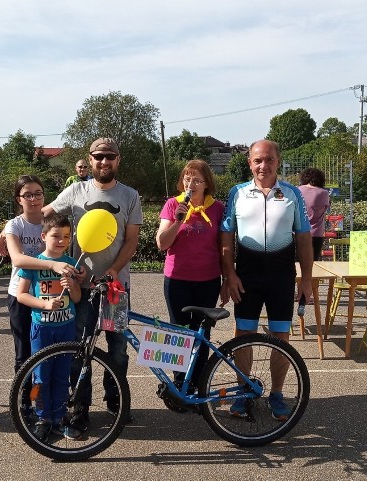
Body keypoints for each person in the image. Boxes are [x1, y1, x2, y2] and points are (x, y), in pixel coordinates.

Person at [43, 137, 143, 431]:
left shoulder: (130, 195)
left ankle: (116, 402)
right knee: (79, 350)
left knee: (118, 351)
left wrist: (113, 270)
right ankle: (79, 408)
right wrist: (11, 227)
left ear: (117, 160)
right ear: (90, 158)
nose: (103, 161)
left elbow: (132, 240)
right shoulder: (75, 190)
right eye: (98, 156)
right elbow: (45, 214)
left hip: (116, 290)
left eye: (109, 156)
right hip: (81, 288)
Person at [219, 139, 313, 422]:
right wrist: (229, 274)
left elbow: (304, 240)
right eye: (258, 160)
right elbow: (226, 238)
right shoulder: (237, 193)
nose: (263, 165)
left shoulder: (293, 193)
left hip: (281, 276)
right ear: (250, 163)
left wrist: (305, 279)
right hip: (247, 275)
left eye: (269, 159)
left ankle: (277, 394)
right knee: (243, 335)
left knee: (280, 338)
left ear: (278, 162)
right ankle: (244, 393)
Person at [0, 176, 82, 412]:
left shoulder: (51, 223)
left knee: (55, 360)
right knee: (24, 354)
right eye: (27, 195)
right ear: (19, 199)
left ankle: (54, 409)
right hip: (21, 294)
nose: (33, 199)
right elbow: (17, 258)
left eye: (38, 194)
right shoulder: (15, 225)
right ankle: (25, 402)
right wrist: (52, 266)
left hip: (55, 301)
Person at [155, 159, 224, 390]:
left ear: (206, 184)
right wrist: (178, 221)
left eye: (196, 180)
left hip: (208, 280)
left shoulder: (217, 208)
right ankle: (179, 382)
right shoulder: (173, 205)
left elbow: (224, 247)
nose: (190, 184)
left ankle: (198, 381)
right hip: (177, 280)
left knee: (201, 333)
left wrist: (226, 281)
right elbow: (162, 244)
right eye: (187, 178)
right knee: (179, 330)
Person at [15, 214, 81, 441]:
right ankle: (42, 417)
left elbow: (78, 298)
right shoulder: (34, 263)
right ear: (44, 236)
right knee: (40, 377)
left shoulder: (72, 264)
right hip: (41, 329)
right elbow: (21, 295)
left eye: (66, 236)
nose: (61, 240)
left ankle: (60, 417)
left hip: (66, 328)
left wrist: (72, 286)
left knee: (62, 375)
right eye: (56, 236)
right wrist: (44, 304)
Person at [298, 168, 330, 261]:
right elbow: (326, 207)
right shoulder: (323, 193)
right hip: (316, 234)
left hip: (298, 232)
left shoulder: (297, 190)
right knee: (313, 264)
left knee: (296, 264)